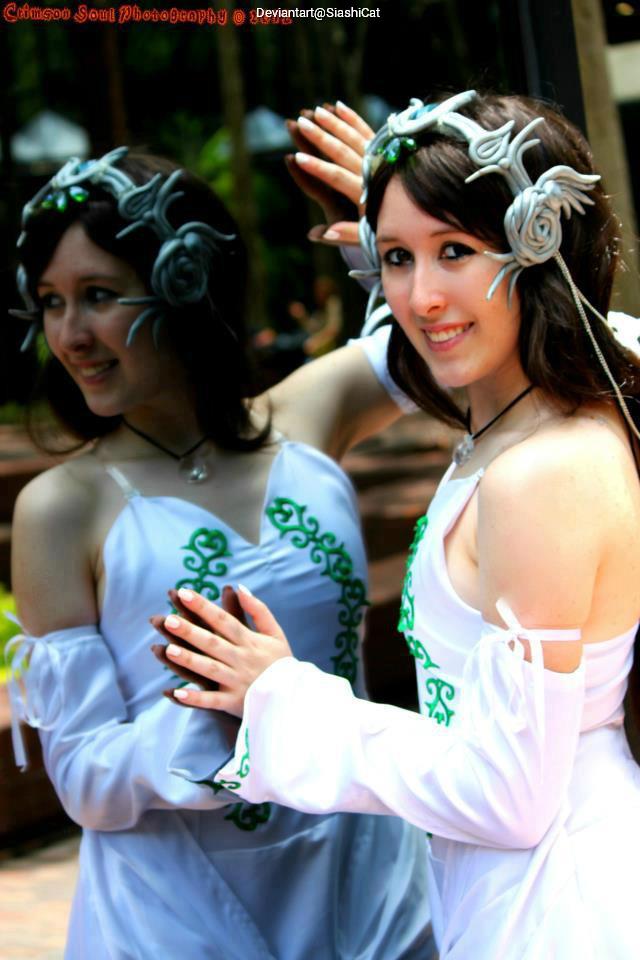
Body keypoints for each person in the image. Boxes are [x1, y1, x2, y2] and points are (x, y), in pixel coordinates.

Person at [156, 91, 640, 958]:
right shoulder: (549, 417)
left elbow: (506, 795)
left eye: (454, 251)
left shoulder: (541, 473)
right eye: (396, 258)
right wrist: (416, 194)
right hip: (515, 882)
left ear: (539, 247)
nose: (421, 296)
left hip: (557, 907)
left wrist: (285, 697)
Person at [7, 147, 433, 958]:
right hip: (181, 917)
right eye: (52, 303)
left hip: (369, 880)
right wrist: (224, 712)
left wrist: (395, 221)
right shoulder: (61, 509)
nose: (70, 336)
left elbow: (438, 332)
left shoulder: (307, 417)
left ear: (185, 283)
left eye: (97, 297)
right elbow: (85, 775)